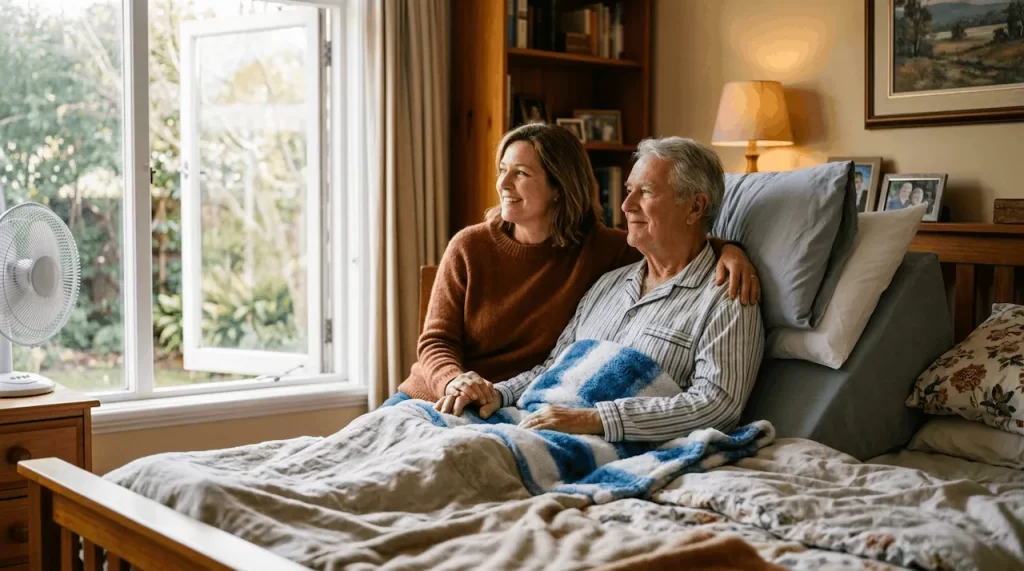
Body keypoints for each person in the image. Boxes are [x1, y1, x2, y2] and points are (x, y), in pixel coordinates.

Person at [391, 124, 761, 414]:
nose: (503, 184)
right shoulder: (470, 246)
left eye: (520, 173)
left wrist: (729, 249)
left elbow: (677, 247)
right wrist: (455, 383)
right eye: (503, 170)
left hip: (511, 403)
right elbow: (436, 342)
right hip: (441, 392)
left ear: (559, 186)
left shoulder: (605, 251)